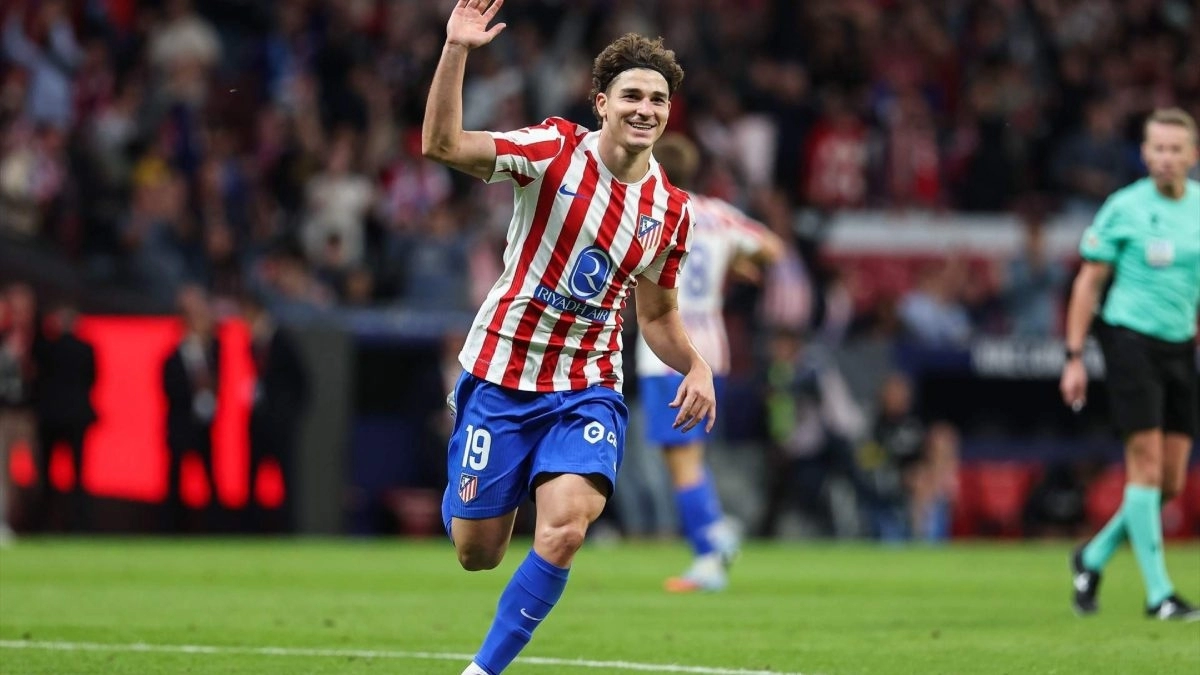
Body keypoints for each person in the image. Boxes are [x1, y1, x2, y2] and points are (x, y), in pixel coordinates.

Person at [422, 3, 715, 674]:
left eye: (659, 99)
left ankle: (482, 670)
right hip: (500, 373)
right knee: (478, 551)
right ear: (602, 103)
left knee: (563, 530)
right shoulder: (553, 150)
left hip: (586, 387)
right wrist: (456, 51)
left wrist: (695, 365)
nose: (646, 108)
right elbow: (443, 146)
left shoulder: (670, 212)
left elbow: (661, 316)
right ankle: (479, 465)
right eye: (633, 95)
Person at [1060, 107, 1200, 621]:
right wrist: (1074, 356)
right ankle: (1159, 594)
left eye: (1174, 149)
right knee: (1142, 465)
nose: (1164, 158)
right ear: (1144, 154)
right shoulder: (1124, 208)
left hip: (1180, 346)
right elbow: (1088, 283)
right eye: (1156, 149)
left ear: (1192, 155)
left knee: (1170, 482)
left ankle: (1091, 556)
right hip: (1129, 341)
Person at [634, 132, 783, 591]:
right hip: (711, 345)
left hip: (667, 346)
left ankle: (709, 552)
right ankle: (714, 532)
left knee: (681, 459)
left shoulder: (648, 211)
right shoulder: (718, 214)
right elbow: (773, 248)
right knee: (689, 453)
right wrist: (734, 260)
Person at [240, 291, 309, 533]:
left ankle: (289, 530)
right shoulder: (252, 344)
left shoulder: (283, 341)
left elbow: (302, 381)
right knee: (252, 480)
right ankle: (251, 530)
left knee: (287, 481)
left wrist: (288, 415)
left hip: (280, 425)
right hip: (258, 423)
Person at [32, 300, 97, 531]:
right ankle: (79, 524)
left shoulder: (46, 348)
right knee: (78, 476)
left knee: (47, 478)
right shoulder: (85, 349)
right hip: (76, 418)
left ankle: (45, 524)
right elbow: (92, 380)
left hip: (51, 417)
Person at [162, 284, 220, 532]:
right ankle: (173, 529)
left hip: (204, 427)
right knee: (175, 482)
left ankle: (214, 529)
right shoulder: (173, 357)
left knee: (210, 480)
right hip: (180, 426)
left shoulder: (215, 352)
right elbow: (171, 391)